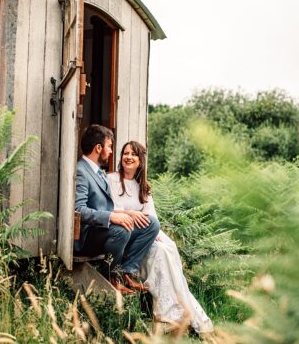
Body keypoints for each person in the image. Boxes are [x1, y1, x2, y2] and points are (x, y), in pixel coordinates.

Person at [107, 141, 214, 334]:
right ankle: (129, 273)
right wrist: (132, 214)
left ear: (140, 161)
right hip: (122, 234)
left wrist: (154, 235)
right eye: (125, 153)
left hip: (140, 237)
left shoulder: (143, 187)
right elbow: (108, 209)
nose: (128, 157)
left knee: (164, 249)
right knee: (159, 251)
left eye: (133, 154)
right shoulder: (111, 180)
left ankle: (173, 314)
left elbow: (152, 217)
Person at [74, 124, 160, 294]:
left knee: (152, 224)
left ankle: (127, 271)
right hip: (88, 236)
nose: (111, 151)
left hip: (103, 229)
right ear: (98, 148)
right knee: (121, 229)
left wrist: (126, 214)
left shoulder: (98, 171)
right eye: (109, 146)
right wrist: (111, 217)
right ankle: (112, 276)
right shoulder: (81, 171)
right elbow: (79, 210)